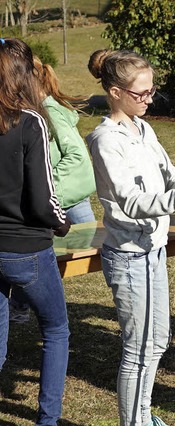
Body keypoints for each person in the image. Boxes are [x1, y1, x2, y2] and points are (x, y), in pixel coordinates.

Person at [85, 49, 175, 426]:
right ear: (115, 92)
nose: (149, 99)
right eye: (141, 93)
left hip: (154, 249)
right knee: (138, 348)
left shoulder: (142, 129)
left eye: (152, 91)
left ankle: (144, 420)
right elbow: (132, 203)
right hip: (129, 257)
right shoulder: (104, 141)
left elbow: (171, 178)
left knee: (157, 341)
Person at [0, 37, 71, 426]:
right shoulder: (32, 122)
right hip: (25, 247)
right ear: (26, 75)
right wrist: (60, 224)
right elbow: (43, 199)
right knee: (56, 329)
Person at [9, 56, 97, 325]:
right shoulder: (43, 108)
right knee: (45, 258)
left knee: (98, 253)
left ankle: (21, 306)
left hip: (61, 198)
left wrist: (47, 188)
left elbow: (76, 157)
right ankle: (21, 305)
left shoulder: (49, 109)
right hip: (62, 198)